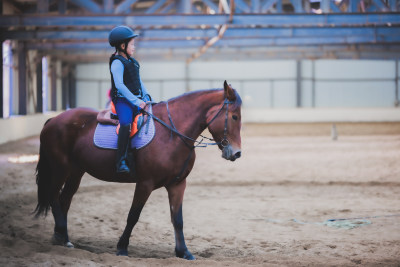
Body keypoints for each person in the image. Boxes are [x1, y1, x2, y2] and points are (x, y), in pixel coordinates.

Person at [108, 25, 151, 174]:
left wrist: (147, 96)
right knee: (126, 124)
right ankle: (121, 161)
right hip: (122, 102)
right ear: (122, 45)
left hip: (137, 99)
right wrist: (136, 101)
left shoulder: (133, 62)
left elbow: (139, 81)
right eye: (132, 44)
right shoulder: (117, 62)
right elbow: (119, 85)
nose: (134, 47)